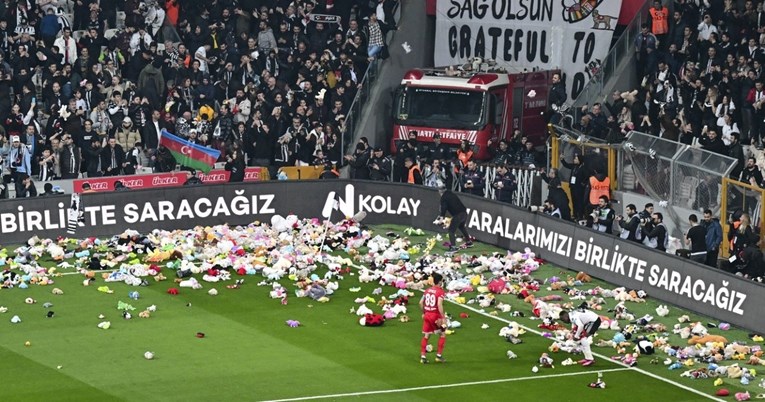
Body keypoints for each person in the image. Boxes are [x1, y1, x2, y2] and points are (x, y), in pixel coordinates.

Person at [419, 272, 447, 364]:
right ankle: (438, 356)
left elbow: (420, 302)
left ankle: (423, 357)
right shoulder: (440, 291)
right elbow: (439, 304)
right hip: (435, 316)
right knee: (442, 334)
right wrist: (443, 318)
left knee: (426, 335)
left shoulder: (427, 290)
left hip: (427, 315)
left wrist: (424, 312)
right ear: (439, 282)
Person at [437, 186, 474, 251]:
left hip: (458, 215)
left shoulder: (444, 198)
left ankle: (453, 247)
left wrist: (441, 219)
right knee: (461, 227)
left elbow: (443, 209)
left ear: (440, 191)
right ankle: (469, 242)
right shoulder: (452, 194)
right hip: (464, 213)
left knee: (451, 231)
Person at [560, 153, 588, 220]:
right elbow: (566, 165)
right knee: (574, 201)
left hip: (579, 189)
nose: (574, 160)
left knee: (579, 202)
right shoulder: (574, 166)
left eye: (576, 159)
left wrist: (582, 183)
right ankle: (575, 215)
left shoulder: (583, 168)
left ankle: (580, 215)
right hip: (573, 187)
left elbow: (587, 177)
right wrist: (562, 159)